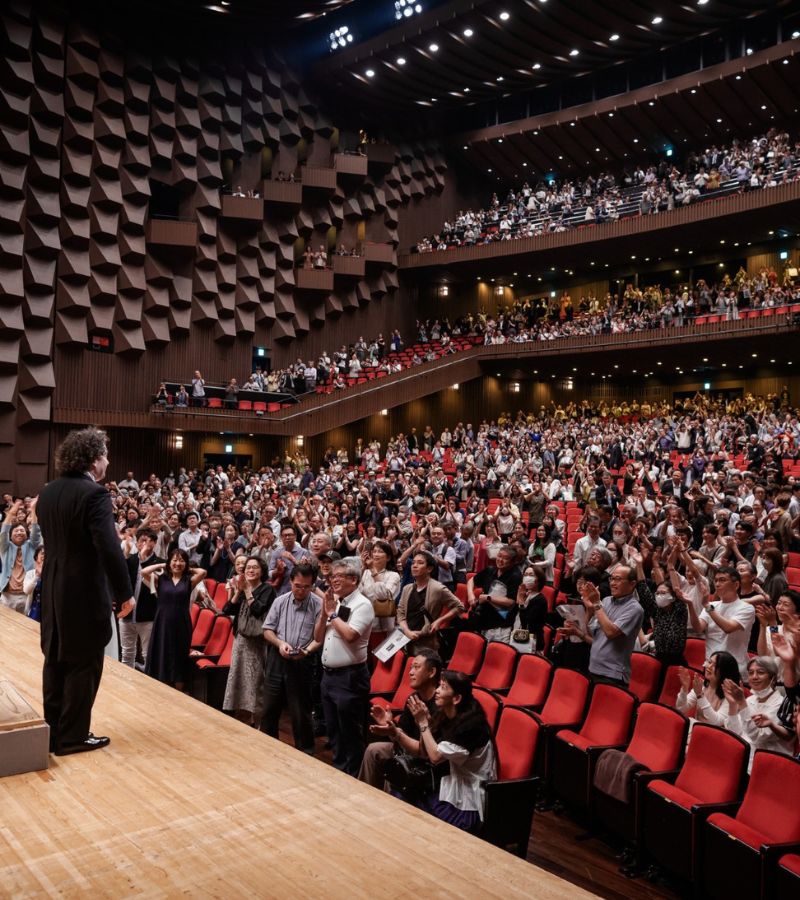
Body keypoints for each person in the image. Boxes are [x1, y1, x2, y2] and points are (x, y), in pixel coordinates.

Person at [37, 427, 135, 755]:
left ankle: (51, 733)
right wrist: (124, 592)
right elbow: (109, 548)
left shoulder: (48, 492)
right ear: (94, 460)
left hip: (51, 587)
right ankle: (73, 736)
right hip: (82, 592)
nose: (107, 461)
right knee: (83, 662)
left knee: (55, 659)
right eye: (105, 455)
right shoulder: (94, 495)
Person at [403, 670, 496, 832]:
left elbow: (434, 756)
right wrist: (425, 724)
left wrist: (423, 723)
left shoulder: (470, 727)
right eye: (439, 685)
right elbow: (424, 751)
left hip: (468, 799)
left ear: (456, 698)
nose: (437, 690)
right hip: (450, 781)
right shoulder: (448, 713)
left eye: (443, 687)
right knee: (403, 792)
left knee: (422, 816)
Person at [313, 560, 374, 775]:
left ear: (354, 579)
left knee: (350, 731)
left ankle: (354, 777)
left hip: (350, 677)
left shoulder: (363, 605)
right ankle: (339, 772)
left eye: (339, 576)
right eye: (332, 576)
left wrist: (331, 614)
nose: (333, 580)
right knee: (334, 730)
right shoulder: (335, 602)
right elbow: (318, 637)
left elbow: (350, 635)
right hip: (328, 676)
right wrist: (324, 614)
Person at [358, 648, 443, 789]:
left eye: (416, 667)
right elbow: (402, 735)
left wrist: (395, 733)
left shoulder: (439, 705)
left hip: (427, 761)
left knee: (395, 765)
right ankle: (363, 794)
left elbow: (423, 752)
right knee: (374, 750)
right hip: (407, 750)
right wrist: (390, 726)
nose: (410, 672)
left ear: (431, 672)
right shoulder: (413, 698)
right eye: (411, 668)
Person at [261, 564, 322, 753]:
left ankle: (305, 753)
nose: (301, 590)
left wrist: (306, 651)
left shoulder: (319, 605)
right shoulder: (280, 601)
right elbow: (267, 630)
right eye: (297, 586)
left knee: (300, 711)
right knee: (270, 707)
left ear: (312, 585)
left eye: (306, 587)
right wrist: (279, 643)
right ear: (290, 582)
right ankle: (267, 748)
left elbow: (319, 638)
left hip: (303, 659)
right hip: (277, 657)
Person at [564, 565, 644, 687]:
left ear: (632, 584)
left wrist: (596, 603)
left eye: (618, 579)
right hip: (593, 667)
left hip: (612, 675)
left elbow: (610, 632)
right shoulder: (606, 601)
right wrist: (588, 613)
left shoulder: (635, 609)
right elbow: (594, 636)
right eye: (611, 579)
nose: (613, 583)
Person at [142, 549, 206, 690]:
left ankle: (179, 691)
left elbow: (202, 572)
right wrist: (162, 565)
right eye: (175, 560)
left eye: (181, 560)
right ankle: (161, 688)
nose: (178, 563)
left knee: (179, 655)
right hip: (162, 622)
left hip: (182, 622)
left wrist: (188, 567)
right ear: (169, 562)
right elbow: (144, 572)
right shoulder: (161, 579)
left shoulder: (189, 581)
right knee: (162, 652)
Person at [223, 556, 275, 724]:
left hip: (256, 642)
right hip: (240, 640)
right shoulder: (242, 587)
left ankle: (258, 722)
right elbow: (227, 609)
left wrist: (247, 591)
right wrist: (238, 591)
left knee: (255, 682)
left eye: (255, 567)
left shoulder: (267, 589)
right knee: (238, 680)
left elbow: (259, 610)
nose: (251, 570)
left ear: (262, 571)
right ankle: (242, 719)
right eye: (248, 568)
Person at [683, 566, 755, 680]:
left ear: (736, 585)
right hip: (710, 665)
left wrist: (707, 606)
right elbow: (698, 628)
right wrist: (690, 605)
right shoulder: (713, 605)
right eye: (715, 580)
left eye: (722, 580)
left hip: (734, 667)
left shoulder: (746, 608)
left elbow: (728, 628)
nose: (717, 584)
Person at [722, 656, 795, 768]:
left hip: (769, 764)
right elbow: (735, 731)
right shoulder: (750, 700)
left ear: (773, 678)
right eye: (751, 673)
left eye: (760, 672)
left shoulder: (780, 704)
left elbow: (758, 737)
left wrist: (741, 703)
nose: (754, 677)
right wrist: (732, 705)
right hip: (745, 757)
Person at [396, 551, 462, 654]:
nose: (415, 566)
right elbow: (400, 612)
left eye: (420, 563)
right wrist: (407, 631)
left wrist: (440, 621)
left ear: (429, 569)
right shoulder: (407, 588)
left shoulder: (437, 588)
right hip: (406, 638)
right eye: (413, 563)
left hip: (426, 642)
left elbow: (459, 606)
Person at [118, 527, 163, 670]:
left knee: (147, 655)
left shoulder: (160, 563)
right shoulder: (129, 560)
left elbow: (157, 586)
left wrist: (143, 559)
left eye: (146, 541)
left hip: (148, 615)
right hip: (127, 614)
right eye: (140, 541)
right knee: (126, 653)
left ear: (154, 543)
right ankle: (126, 686)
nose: (142, 544)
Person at [467, 545, 522, 643]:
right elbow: (472, 580)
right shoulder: (490, 570)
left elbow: (511, 602)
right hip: (483, 620)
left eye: (505, 558)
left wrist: (488, 598)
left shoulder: (515, 576)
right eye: (499, 556)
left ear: (512, 562)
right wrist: (471, 595)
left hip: (501, 624)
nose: (500, 560)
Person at [676, 650, 741, 726]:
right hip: (696, 730)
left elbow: (717, 722)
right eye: (710, 662)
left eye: (715, 666)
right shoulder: (703, 685)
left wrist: (700, 695)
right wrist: (684, 689)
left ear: (725, 672)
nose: (709, 667)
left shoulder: (731, 695)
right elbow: (681, 709)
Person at [1, 497, 42, 613]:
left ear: (26, 534)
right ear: (11, 534)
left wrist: (33, 509)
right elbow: (3, 532)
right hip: (7, 595)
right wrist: (11, 513)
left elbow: (36, 530)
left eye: (22, 530)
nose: (19, 532)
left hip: (26, 595)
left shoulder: (31, 546)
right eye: (16, 531)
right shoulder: (5, 547)